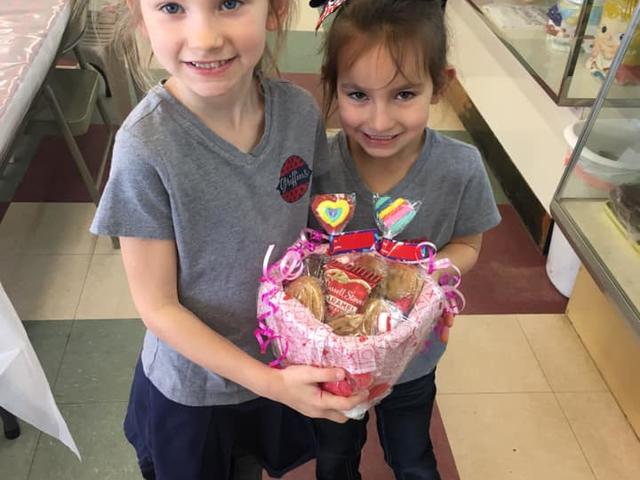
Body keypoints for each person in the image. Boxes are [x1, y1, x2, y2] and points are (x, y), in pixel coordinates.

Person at [90, 1, 367, 478]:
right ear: (140, 16)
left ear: (275, 9)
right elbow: (158, 307)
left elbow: (318, 234)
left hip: (276, 363)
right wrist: (271, 383)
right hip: (196, 390)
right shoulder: (145, 147)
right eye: (173, 6)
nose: (205, 37)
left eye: (231, 3)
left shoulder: (298, 113)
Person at [310, 0, 502, 478]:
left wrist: (423, 273)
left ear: (441, 85)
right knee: (333, 456)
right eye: (357, 95)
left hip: (413, 358)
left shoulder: (460, 168)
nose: (379, 121)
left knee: (413, 453)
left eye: (403, 95)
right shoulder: (318, 165)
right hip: (336, 359)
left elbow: (470, 244)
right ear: (332, 84)